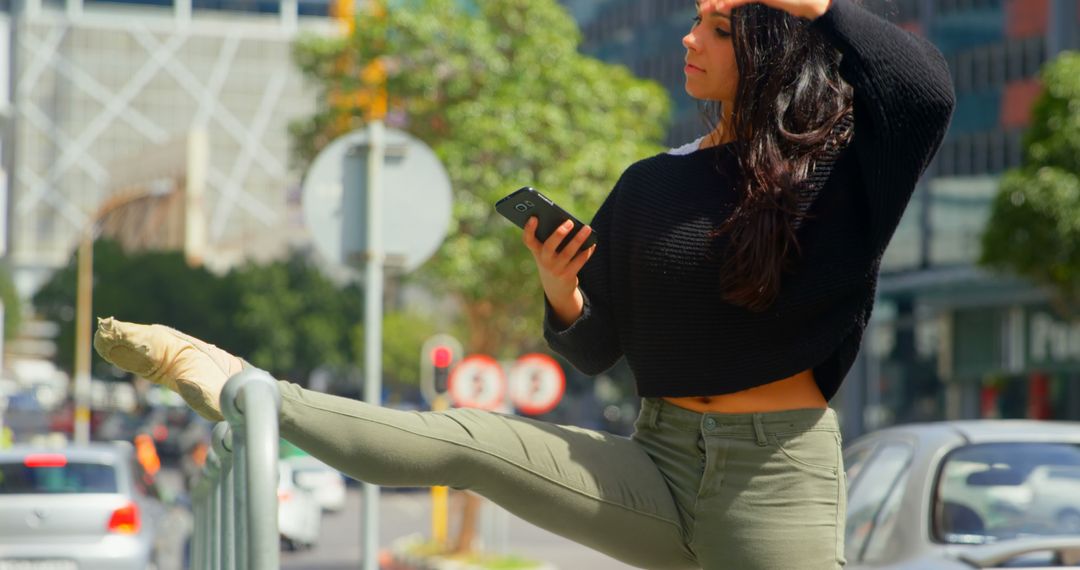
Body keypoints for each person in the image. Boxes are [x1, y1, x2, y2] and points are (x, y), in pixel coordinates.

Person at [92, 0, 954, 567]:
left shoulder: (839, 176)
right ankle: (236, 384)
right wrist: (563, 293)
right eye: (693, 21)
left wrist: (818, 5)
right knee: (469, 442)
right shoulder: (653, 184)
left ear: (772, 43)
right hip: (653, 463)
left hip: (776, 477)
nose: (691, 39)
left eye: (719, 28)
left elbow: (924, 91)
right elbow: (600, 346)